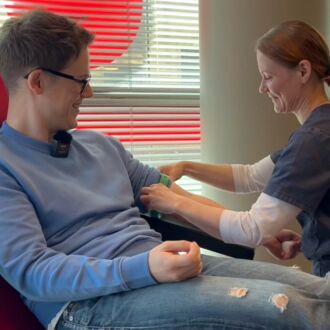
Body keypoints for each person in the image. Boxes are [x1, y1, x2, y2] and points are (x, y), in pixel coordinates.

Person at [1, 11, 330, 330]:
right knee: (290, 310)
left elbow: (175, 199)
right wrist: (145, 267)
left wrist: (262, 233)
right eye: (81, 81)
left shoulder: (101, 146)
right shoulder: (6, 167)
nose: (89, 92)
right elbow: (33, 272)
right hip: (90, 302)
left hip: (156, 266)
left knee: (319, 292)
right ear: (38, 81)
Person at [141, 20, 330, 278]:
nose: (262, 88)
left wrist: (174, 203)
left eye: (268, 77)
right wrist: (186, 167)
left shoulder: (313, 140)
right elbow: (249, 177)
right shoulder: (320, 129)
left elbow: (251, 230)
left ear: (303, 71)